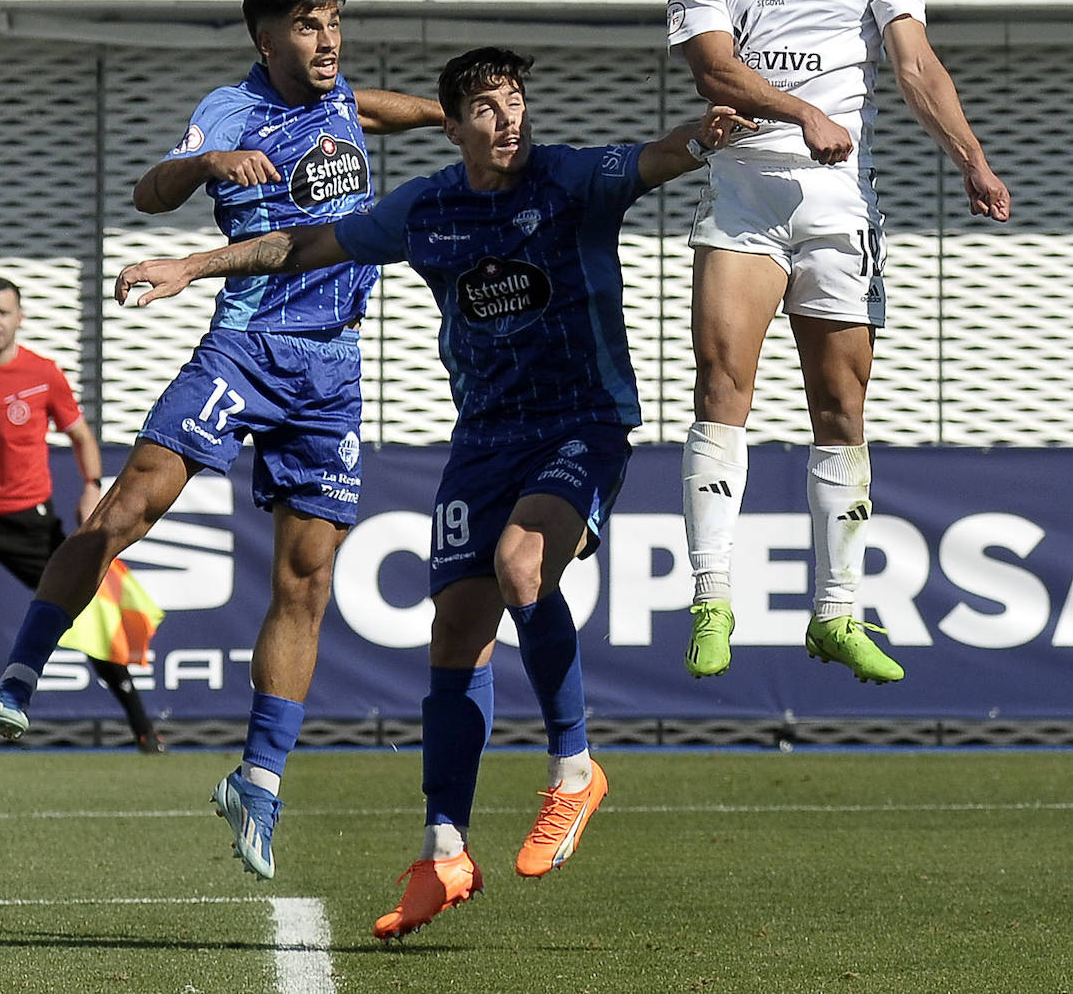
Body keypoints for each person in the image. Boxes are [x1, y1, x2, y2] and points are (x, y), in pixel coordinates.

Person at [114, 46, 752, 937]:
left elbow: (655, 154)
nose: (509, 118)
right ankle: (442, 849)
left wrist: (706, 138)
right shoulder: (427, 208)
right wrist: (193, 264)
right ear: (451, 128)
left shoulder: (572, 180)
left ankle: (575, 770)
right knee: (455, 641)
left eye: (517, 100)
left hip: (580, 425)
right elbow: (301, 243)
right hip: (482, 440)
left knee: (523, 565)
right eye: (486, 107)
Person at [0, 0, 443, 881]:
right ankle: (22, 672)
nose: (329, 42)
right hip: (248, 346)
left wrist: (447, 113)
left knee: (307, 580)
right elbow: (154, 190)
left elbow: (368, 108)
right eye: (310, 29)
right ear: (266, 40)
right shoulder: (231, 109)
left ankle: (259, 783)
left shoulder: (337, 91)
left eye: (336, 24)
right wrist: (203, 166)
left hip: (333, 367)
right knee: (128, 512)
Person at [666, 0, 1011, 686]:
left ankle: (837, 614)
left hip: (837, 204)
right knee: (719, 384)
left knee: (841, 407)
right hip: (746, 196)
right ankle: (711, 599)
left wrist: (971, 159)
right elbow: (712, 68)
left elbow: (914, 64)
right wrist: (803, 110)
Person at [0, 277, 163, 753]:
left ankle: (144, 730)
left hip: (29, 525)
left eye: (2, 313)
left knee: (84, 619)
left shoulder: (43, 375)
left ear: (20, 318)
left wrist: (89, 488)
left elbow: (81, 437)